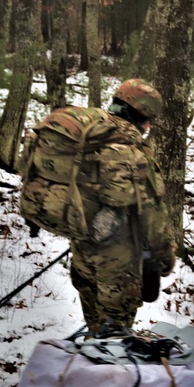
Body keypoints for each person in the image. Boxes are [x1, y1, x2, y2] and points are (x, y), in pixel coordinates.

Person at [65, 79, 176, 334]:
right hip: (118, 269)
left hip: (82, 254)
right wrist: (165, 258)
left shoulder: (88, 136)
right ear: (144, 118)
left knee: (95, 328)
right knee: (114, 342)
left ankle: (90, 360)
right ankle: (103, 371)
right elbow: (153, 217)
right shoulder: (133, 153)